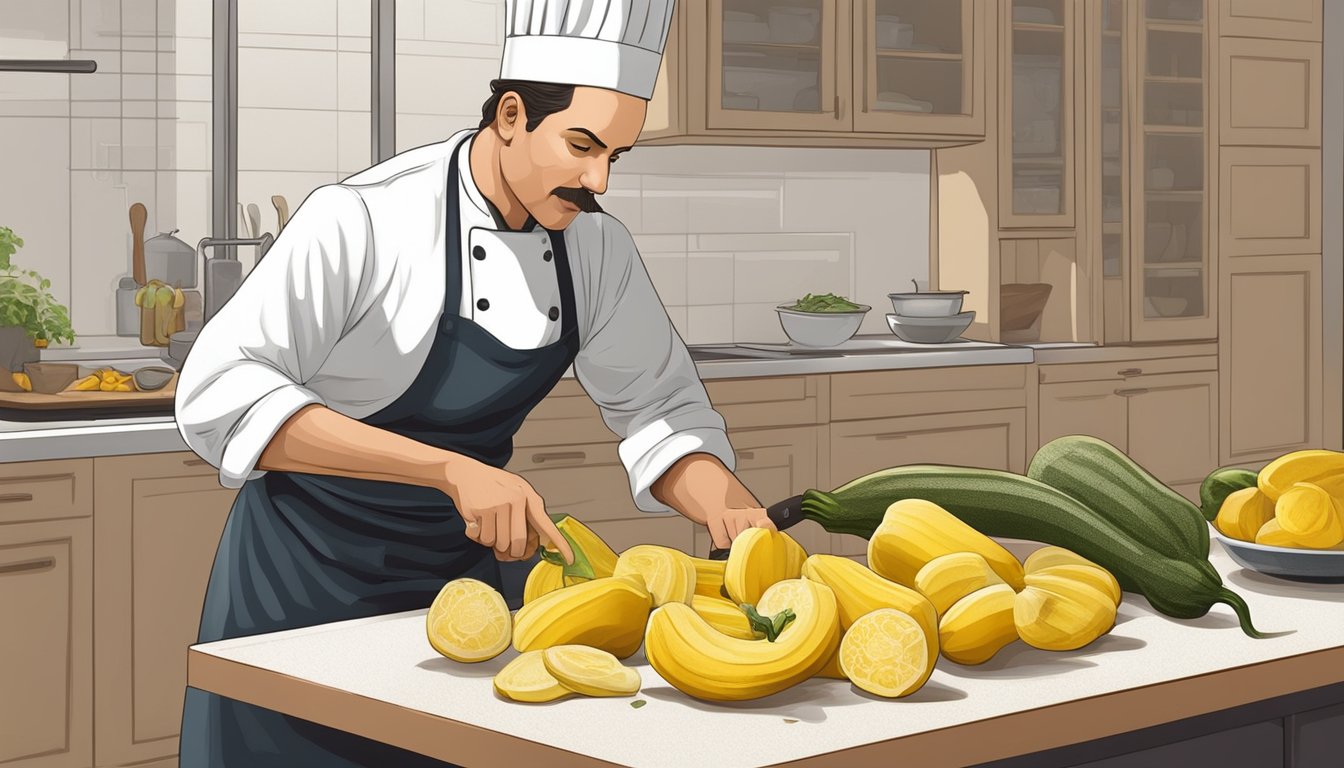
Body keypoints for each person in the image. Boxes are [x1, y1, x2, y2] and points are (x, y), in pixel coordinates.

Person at [175, 0, 777, 764]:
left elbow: (658, 407)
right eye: (583, 145)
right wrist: (450, 470)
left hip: (465, 597)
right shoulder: (362, 221)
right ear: (512, 115)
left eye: (616, 156)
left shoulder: (595, 249)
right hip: (304, 592)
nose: (599, 181)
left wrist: (724, 503)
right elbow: (220, 393)